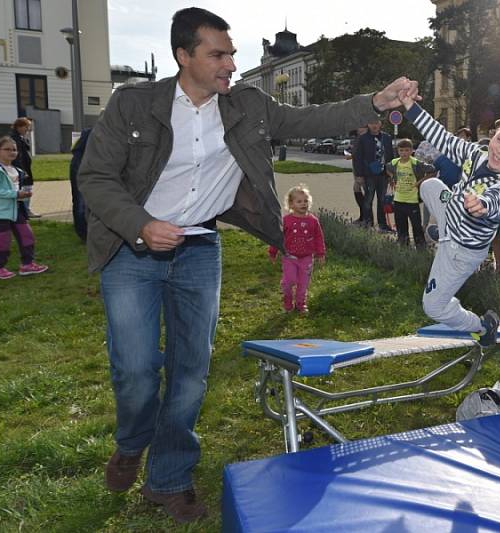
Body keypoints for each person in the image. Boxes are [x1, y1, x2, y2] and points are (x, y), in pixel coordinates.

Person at [77, 7, 418, 524]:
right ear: (183, 56)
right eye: (218, 54)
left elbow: (312, 118)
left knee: (190, 373)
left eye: (232, 53)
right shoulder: (134, 105)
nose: (230, 64)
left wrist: (374, 102)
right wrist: (140, 223)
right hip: (134, 251)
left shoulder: (248, 105)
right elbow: (95, 177)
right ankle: (131, 443)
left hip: (197, 252)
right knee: (137, 371)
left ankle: (168, 479)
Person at [399, 89, 500, 344]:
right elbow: (442, 138)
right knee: (430, 186)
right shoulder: (475, 154)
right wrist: (410, 108)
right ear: (495, 133)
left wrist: (483, 204)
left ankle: (481, 326)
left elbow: (498, 196)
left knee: (433, 307)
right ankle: (443, 227)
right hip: (453, 220)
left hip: (462, 252)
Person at [0, 136, 49, 279]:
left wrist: (22, 194)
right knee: (2, 240)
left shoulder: (16, 170)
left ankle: (27, 265)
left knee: (27, 235)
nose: (11, 152)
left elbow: (15, 190)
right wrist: (15, 194)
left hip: (17, 209)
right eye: (7, 149)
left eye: (14, 150)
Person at [268, 184, 325, 314]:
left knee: (303, 284)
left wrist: (320, 253)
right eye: (299, 201)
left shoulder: (313, 220)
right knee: (289, 281)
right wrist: (273, 251)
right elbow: (278, 237)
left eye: (305, 201)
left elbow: (318, 237)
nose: (303, 204)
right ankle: (287, 301)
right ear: (291, 204)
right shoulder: (286, 220)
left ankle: (300, 304)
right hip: (289, 257)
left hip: (306, 258)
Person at [385, 138, 436, 249]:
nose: (404, 153)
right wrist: (392, 178)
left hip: (412, 200)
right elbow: (387, 168)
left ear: (412, 150)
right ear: (398, 151)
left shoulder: (416, 163)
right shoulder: (395, 163)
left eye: (407, 150)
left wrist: (419, 182)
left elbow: (432, 170)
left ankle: (421, 247)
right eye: (401, 150)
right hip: (398, 199)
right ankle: (403, 246)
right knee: (401, 226)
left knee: (416, 226)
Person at [354, 118, 394, 231]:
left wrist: (392, 174)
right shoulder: (362, 138)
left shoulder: (387, 137)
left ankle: (382, 225)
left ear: (380, 124)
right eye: (372, 123)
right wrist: (359, 175)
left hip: (384, 174)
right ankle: (368, 223)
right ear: (368, 124)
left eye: (376, 123)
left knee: (382, 200)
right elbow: (358, 158)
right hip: (368, 175)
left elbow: (391, 156)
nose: (374, 125)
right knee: (368, 199)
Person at [9, 117, 40, 218]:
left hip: (25, 168)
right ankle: (24, 211)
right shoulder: (15, 139)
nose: (28, 129)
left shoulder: (22, 138)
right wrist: (22, 170)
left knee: (26, 188)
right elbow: (17, 157)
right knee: (24, 189)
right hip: (21, 169)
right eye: (26, 127)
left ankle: (25, 210)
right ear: (19, 127)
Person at [69, 127, 92, 242]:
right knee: (81, 204)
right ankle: (84, 233)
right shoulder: (95, 132)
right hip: (81, 170)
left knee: (80, 203)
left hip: (80, 168)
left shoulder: (89, 132)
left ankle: (84, 233)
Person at [347, 126, 368, 224]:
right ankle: (363, 215)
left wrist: (360, 174)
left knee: (366, 194)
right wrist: (351, 155)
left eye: (363, 127)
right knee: (357, 190)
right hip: (357, 170)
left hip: (364, 171)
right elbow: (357, 154)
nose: (360, 129)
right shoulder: (358, 139)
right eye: (359, 127)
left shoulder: (367, 139)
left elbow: (365, 157)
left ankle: (366, 218)